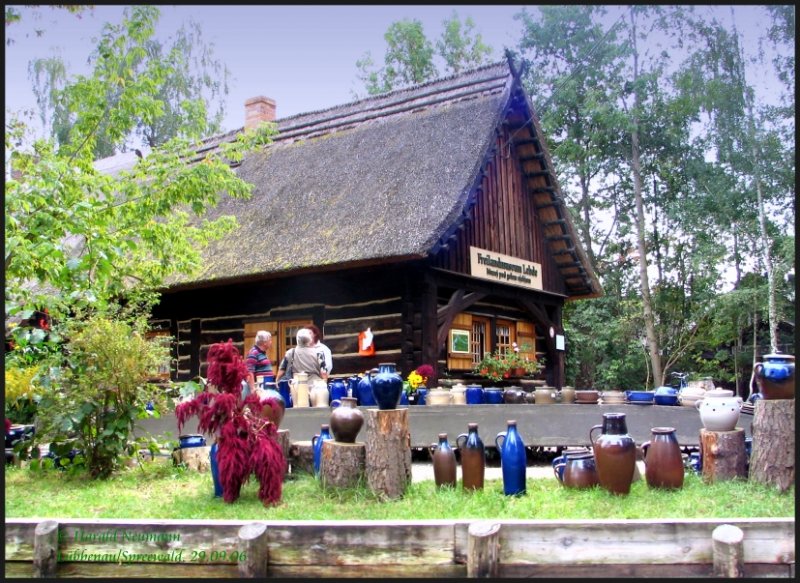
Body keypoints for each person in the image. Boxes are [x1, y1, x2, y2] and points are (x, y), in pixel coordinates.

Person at [245, 330, 274, 397]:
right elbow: (249, 372)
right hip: (260, 388)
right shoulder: (253, 353)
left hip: (265, 387)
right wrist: (253, 389)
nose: (271, 342)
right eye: (270, 340)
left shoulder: (262, 353)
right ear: (264, 343)